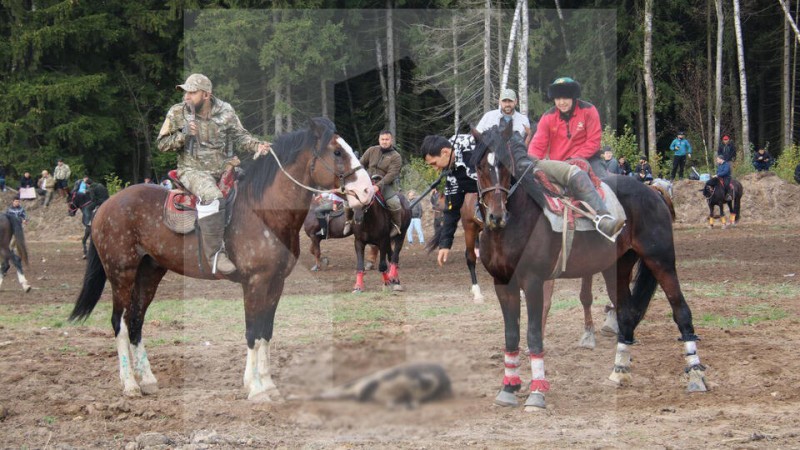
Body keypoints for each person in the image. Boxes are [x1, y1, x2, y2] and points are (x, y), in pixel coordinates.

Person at [157, 73, 271, 275]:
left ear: (206, 95)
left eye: (192, 93)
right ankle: (215, 255)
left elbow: (240, 136)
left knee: (255, 191)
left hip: (225, 168)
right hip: (192, 170)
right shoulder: (176, 113)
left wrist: (257, 146)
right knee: (212, 197)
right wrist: (183, 134)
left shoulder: (226, 110)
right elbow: (162, 144)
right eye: (186, 93)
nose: (187, 97)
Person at [419, 135, 479, 266]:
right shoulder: (450, 172)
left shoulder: (473, 146)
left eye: (434, 163)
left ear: (445, 152)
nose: (435, 168)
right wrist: (444, 244)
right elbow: (452, 209)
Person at [528, 77, 605, 176]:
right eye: (558, 99)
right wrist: (530, 163)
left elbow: (594, 141)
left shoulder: (589, 110)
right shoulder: (547, 117)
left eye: (565, 98)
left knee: (603, 182)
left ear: (573, 97)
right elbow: (537, 145)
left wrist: (574, 159)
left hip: (590, 160)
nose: (561, 102)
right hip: (559, 165)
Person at [343, 130, 402, 237]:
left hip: (385, 184)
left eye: (387, 139)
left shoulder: (396, 156)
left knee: (394, 202)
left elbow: (391, 174)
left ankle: (396, 225)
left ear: (391, 140)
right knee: (349, 198)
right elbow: (360, 165)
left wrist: (378, 186)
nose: (384, 142)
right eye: (382, 139)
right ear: (379, 140)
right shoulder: (371, 150)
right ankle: (348, 221)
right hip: (367, 182)